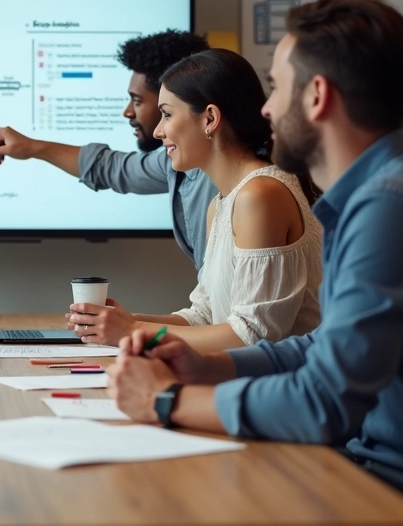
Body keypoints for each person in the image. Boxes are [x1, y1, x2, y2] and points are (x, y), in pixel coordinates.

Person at [107, 0, 403, 525]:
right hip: (384, 470)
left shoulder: (396, 206)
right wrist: (210, 365)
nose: (265, 109)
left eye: (277, 87)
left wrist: (167, 403)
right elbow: (326, 348)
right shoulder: (378, 195)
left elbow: (325, 402)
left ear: (318, 96)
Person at [68, 49, 322, 352]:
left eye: (167, 113)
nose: (159, 131)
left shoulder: (261, 195)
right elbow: (203, 316)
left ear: (210, 119)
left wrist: (134, 330)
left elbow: (254, 336)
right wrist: (123, 323)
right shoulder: (222, 202)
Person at [0, 30, 218, 270]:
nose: (128, 112)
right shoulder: (179, 162)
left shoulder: (239, 185)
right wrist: (32, 147)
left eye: (138, 100)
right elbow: (111, 168)